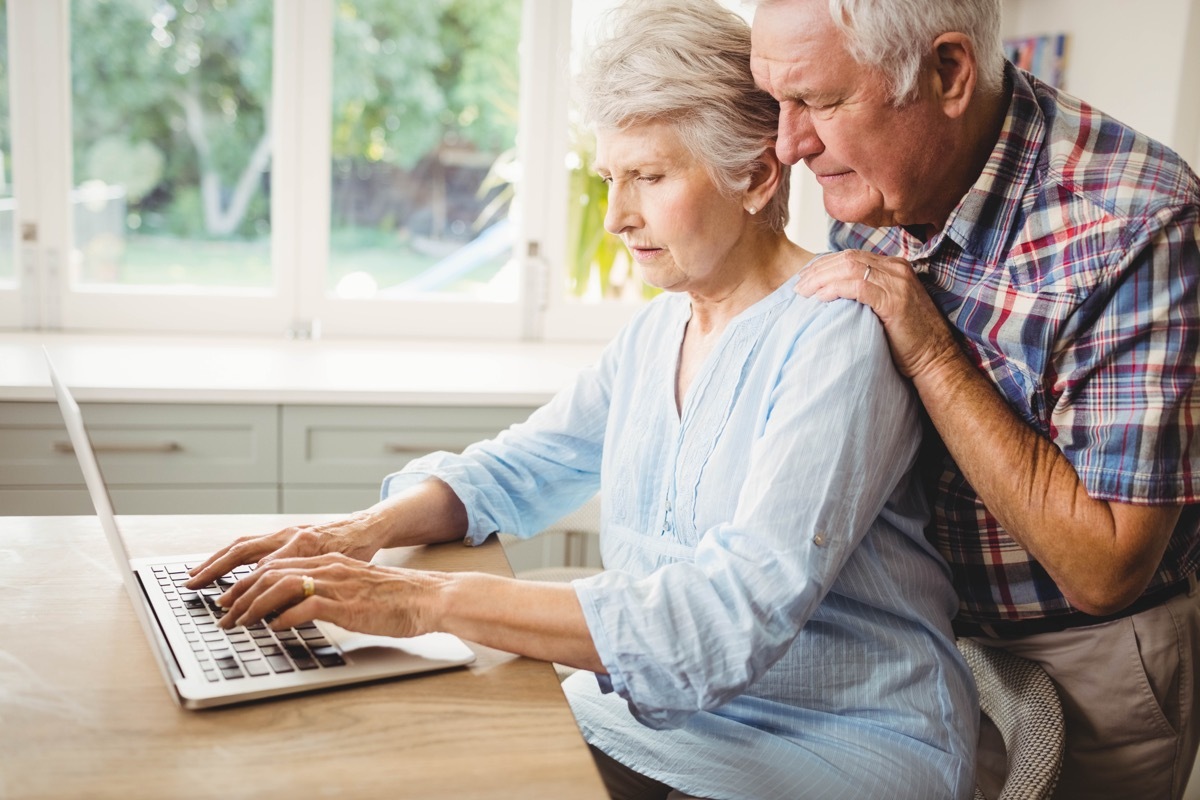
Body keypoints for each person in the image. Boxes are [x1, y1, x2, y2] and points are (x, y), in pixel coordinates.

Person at [188, 1, 976, 797]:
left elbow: (725, 618)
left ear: (756, 176)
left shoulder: (837, 334)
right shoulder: (659, 329)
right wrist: (355, 534)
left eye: (651, 176)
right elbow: (520, 469)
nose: (616, 218)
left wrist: (424, 600)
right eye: (610, 178)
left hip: (835, 746)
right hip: (657, 722)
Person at [748, 1, 1200, 797]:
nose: (791, 144)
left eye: (818, 101)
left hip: (1083, 659)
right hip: (923, 642)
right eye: (776, 103)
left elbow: (1106, 567)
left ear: (948, 72)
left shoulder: (1137, 224)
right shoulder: (874, 179)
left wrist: (931, 349)